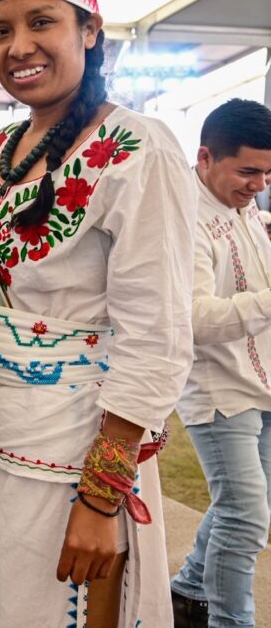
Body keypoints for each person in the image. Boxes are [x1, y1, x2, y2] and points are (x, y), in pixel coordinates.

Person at [0, 0, 197, 626]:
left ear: (91, 29)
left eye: (40, 22)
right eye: (0, 30)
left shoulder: (138, 148)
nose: (18, 47)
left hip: (68, 459)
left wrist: (102, 498)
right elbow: (4, 287)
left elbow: (156, 336)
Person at [170, 98, 271, 628]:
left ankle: (188, 588)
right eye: (249, 171)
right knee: (246, 514)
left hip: (262, 377)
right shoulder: (183, 215)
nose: (259, 183)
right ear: (205, 157)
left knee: (245, 505)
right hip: (217, 387)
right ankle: (232, 622)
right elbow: (191, 318)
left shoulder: (242, 203)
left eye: (269, 172)